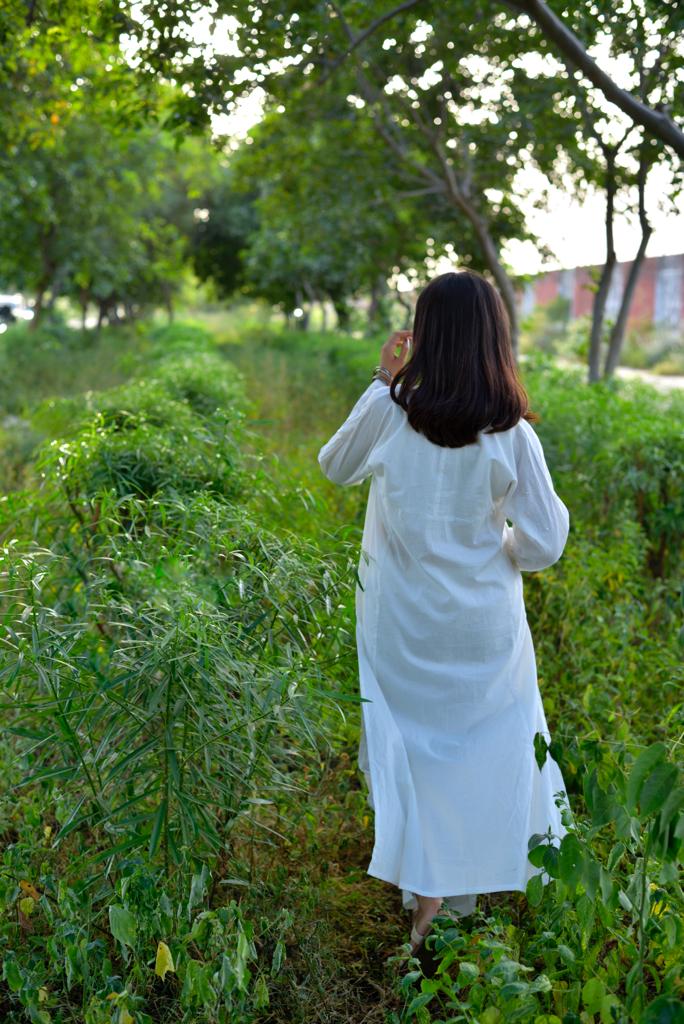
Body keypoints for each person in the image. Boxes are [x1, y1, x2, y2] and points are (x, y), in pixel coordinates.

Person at [317, 270, 572, 955]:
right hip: (483, 626)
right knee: (480, 751)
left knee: (414, 752)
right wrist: (499, 551)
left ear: (421, 335)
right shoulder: (511, 433)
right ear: (496, 338)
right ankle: (451, 899)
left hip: (400, 620)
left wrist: (381, 377)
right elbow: (545, 543)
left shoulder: (391, 410)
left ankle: (425, 890)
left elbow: (335, 466)